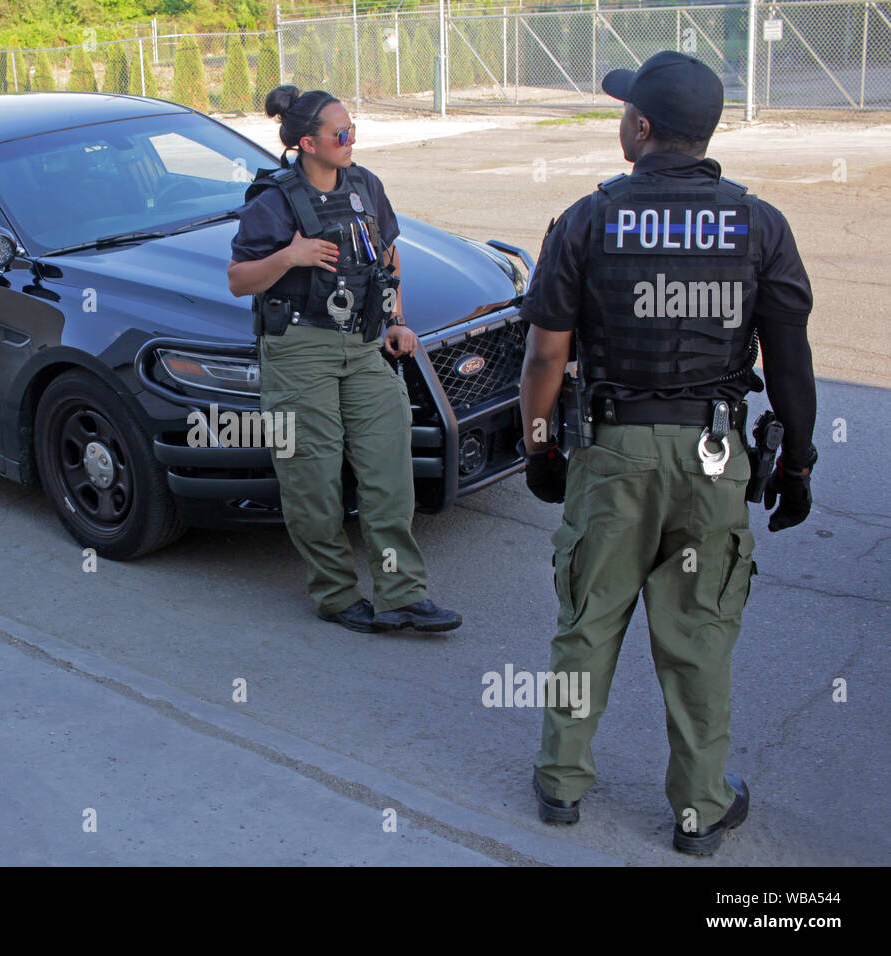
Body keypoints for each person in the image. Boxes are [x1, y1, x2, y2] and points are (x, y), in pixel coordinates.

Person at [516, 52, 817, 855]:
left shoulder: (586, 218)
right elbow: (790, 363)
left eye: (623, 111)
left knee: (588, 619)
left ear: (642, 128)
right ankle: (699, 810)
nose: (620, 121)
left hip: (611, 453)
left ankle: (561, 782)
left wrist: (542, 448)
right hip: (713, 459)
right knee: (699, 636)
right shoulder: (760, 225)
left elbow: (546, 358)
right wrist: (799, 464)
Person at [227, 85, 460, 634]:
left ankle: (401, 594)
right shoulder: (274, 200)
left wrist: (397, 318)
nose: (350, 139)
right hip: (299, 350)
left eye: (352, 129)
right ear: (308, 142)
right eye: (340, 133)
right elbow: (239, 280)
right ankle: (335, 595)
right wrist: (291, 255)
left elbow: (387, 254)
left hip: (362, 343)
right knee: (313, 478)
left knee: (387, 472)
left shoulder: (365, 185)